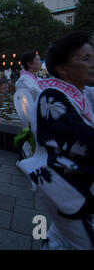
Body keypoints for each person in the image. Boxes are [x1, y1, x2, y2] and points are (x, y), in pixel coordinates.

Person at [18, 31, 94, 250]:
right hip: (62, 183)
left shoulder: (82, 93)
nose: (36, 62)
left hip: (68, 179)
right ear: (63, 68)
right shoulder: (49, 92)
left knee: (60, 236)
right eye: (86, 59)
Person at [14, 51, 43, 161]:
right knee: (31, 139)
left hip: (37, 114)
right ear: (29, 63)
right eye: (37, 60)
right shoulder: (23, 80)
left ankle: (26, 160)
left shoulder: (36, 78)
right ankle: (24, 160)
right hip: (30, 115)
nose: (40, 62)